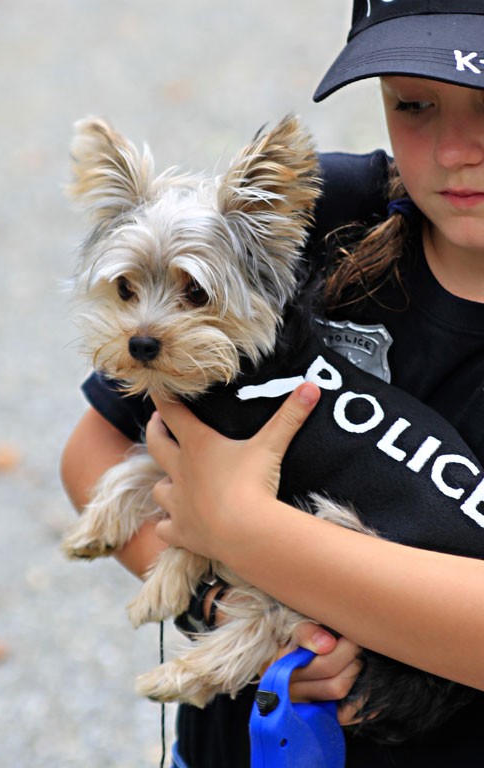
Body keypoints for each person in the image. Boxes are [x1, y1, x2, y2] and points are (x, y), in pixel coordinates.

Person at [61, 1, 484, 766]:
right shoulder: (318, 212)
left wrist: (245, 532)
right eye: (413, 104)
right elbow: (92, 453)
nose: (457, 148)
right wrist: (226, 606)